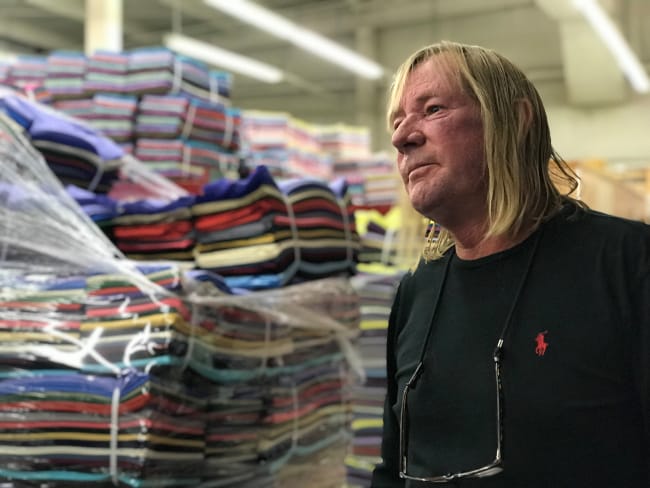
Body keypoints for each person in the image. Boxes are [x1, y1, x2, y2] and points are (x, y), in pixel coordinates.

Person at [371, 40, 649, 487]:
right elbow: (391, 468)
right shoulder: (416, 293)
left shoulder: (626, 263)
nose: (402, 137)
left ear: (515, 121)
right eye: (398, 121)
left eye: (433, 109)